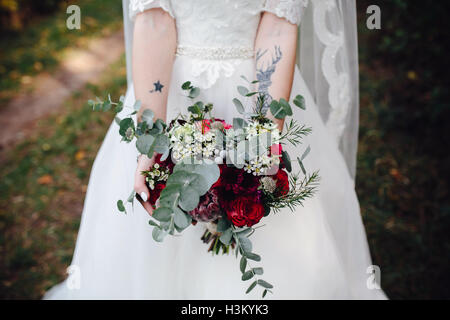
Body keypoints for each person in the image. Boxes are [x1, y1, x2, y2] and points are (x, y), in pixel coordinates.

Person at [45, 0, 387, 299]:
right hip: (171, 90)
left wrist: (264, 137)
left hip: (258, 90)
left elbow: (278, 26)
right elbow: (154, 21)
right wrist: (151, 143)